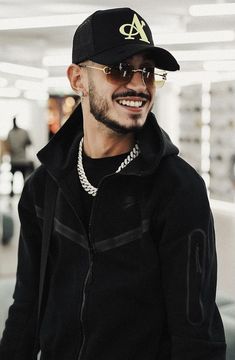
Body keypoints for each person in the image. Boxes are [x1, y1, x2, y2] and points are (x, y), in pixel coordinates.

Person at [0, 7, 226, 360]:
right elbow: (27, 308)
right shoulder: (43, 186)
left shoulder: (179, 189)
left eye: (148, 72)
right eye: (119, 70)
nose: (138, 85)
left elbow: (195, 334)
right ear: (77, 80)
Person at [6, 117, 34, 196]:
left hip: (18, 160)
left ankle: (18, 193)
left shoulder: (14, 133)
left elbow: (29, 142)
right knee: (17, 178)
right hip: (17, 160)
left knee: (20, 178)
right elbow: (29, 142)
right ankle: (16, 193)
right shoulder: (15, 133)